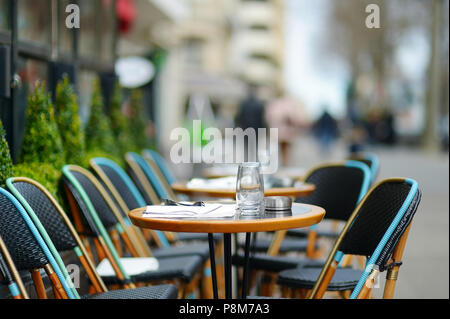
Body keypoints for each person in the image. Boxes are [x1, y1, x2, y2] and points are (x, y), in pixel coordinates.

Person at [265, 94, 304, 166]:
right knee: (283, 147)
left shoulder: (273, 104)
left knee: (280, 146)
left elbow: (268, 118)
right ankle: (283, 162)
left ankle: (282, 162)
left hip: (279, 130)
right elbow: (294, 118)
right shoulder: (289, 104)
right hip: (284, 130)